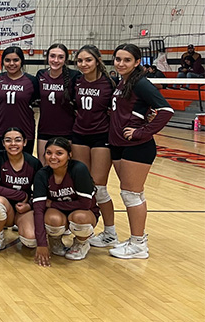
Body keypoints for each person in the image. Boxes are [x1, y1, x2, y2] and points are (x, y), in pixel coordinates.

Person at [107, 44, 173, 259]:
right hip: (119, 145)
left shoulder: (141, 84)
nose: (121, 63)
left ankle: (139, 244)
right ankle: (135, 240)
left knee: (132, 194)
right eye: (118, 59)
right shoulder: (123, 82)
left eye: (127, 60)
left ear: (137, 62)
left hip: (137, 147)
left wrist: (141, 132)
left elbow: (165, 110)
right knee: (128, 193)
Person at [72, 45, 117, 249]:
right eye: (80, 61)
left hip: (101, 137)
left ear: (98, 60)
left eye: (88, 60)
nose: (84, 64)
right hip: (79, 135)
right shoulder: (77, 81)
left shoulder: (109, 84)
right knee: (83, 186)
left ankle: (110, 232)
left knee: (99, 188)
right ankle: (84, 229)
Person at [33, 137, 99, 266]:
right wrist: (42, 244)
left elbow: (85, 204)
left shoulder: (79, 169)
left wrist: (52, 204)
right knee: (52, 219)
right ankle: (55, 240)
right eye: (48, 153)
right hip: (58, 214)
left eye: (59, 153)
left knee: (80, 217)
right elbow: (39, 210)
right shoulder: (42, 174)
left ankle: (81, 243)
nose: (53, 157)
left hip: (83, 212)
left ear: (69, 155)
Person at [0, 127, 43, 255]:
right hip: (5, 206)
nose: (13, 144)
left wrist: (29, 205)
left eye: (18, 140)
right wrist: (22, 195)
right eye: (8, 140)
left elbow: (40, 193)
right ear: (3, 143)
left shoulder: (34, 163)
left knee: (30, 241)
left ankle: (23, 227)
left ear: (25, 142)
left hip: (23, 209)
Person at [36, 44, 80, 164]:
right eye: (53, 56)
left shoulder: (74, 76)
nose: (56, 60)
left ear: (65, 59)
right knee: (44, 166)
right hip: (45, 129)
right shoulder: (41, 75)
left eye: (60, 57)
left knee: (65, 167)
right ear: (47, 57)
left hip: (67, 130)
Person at [0, 47, 39, 154]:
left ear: (22, 61)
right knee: (1, 163)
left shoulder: (31, 81)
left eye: (16, 60)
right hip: (0, 129)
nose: (11, 63)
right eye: (7, 60)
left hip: (24, 130)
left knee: (24, 164)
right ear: (3, 62)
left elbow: (35, 103)